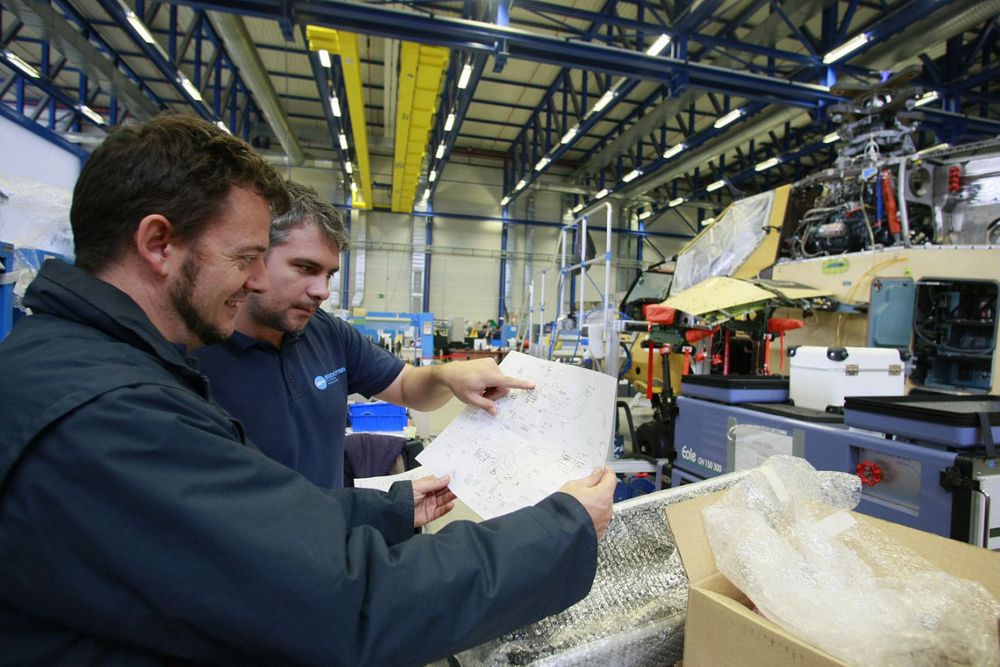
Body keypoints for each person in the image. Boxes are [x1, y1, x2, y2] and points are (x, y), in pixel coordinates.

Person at [0, 113, 617, 665]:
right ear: (159, 243)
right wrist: (561, 527)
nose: (255, 278)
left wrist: (388, 509)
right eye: (247, 256)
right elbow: (350, 605)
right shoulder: (112, 412)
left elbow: (254, 520)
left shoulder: (88, 363)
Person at [194, 180, 531, 488]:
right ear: (255, 256)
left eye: (329, 274)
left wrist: (447, 376)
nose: (322, 291)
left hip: (328, 538)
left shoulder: (327, 333)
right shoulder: (193, 352)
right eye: (306, 268)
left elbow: (405, 386)